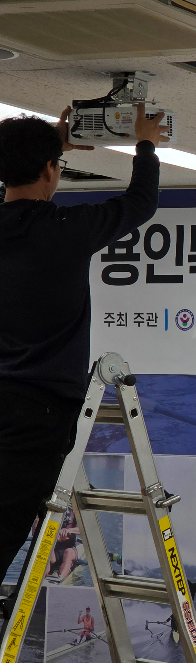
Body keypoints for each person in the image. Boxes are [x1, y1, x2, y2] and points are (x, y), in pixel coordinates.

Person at [0, 106, 168, 584]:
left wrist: (45, 146)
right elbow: (140, 203)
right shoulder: (67, 230)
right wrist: (144, 142)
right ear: (51, 170)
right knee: (7, 520)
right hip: (40, 411)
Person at [44, 508, 80, 581]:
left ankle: (60, 579)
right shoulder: (51, 508)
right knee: (46, 549)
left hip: (70, 546)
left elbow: (83, 529)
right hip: (54, 548)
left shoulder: (75, 508)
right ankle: (44, 578)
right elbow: (35, 531)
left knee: (69, 553)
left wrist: (68, 530)